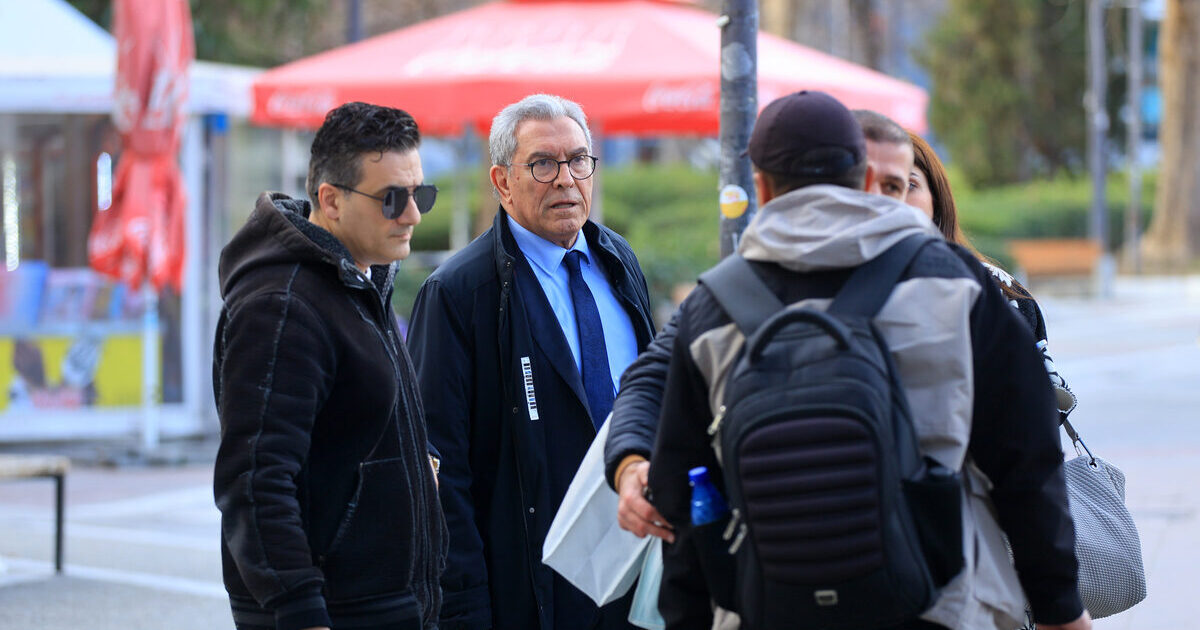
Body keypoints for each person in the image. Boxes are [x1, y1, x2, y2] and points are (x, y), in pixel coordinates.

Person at [645, 90, 1090, 630]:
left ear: (761, 187)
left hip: (774, 607)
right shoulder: (952, 279)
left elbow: (682, 490)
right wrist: (1059, 606)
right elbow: (1026, 456)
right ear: (864, 176)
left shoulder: (712, 306)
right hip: (942, 603)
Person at [604, 108, 919, 542]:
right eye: (863, 182)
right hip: (775, 554)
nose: (874, 199)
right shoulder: (729, 293)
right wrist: (629, 462)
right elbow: (650, 377)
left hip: (919, 556)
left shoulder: (946, 285)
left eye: (895, 187)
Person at [406, 94, 656, 630]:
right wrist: (465, 613)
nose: (566, 179)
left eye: (579, 160)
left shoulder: (617, 261)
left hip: (633, 568)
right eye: (542, 163)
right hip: (530, 589)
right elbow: (442, 474)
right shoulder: (459, 293)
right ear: (502, 182)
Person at [213, 102, 446, 630]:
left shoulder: (360, 278)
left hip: (384, 601)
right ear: (331, 200)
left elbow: (351, 429)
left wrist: (415, 460)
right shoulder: (282, 304)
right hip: (333, 610)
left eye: (421, 194)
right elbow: (254, 479)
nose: (413, 215)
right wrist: (299, 609)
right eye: (393, 199)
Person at [906, 131, 1077, 421]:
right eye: (872, 186)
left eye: (908, 184)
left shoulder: (999, 292)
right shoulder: (835, 288)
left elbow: (1039, 415)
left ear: (936, 198)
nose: (892, 199)